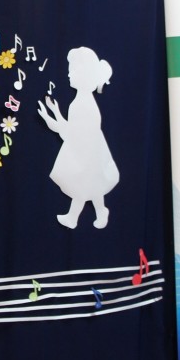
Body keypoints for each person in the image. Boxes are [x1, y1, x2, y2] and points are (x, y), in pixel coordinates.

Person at [37, 46, 120, 229]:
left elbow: (69, 132)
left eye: (72, 70)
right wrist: (55, 112)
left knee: (84, 186)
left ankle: (74, 217)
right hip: (90, 150)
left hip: (87, 152)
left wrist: (49, 118)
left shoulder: (81, 104)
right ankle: (98, 211)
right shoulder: (82, 101)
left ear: (84, 75)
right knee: (92, 185)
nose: (68, 74)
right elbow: (72, 128)